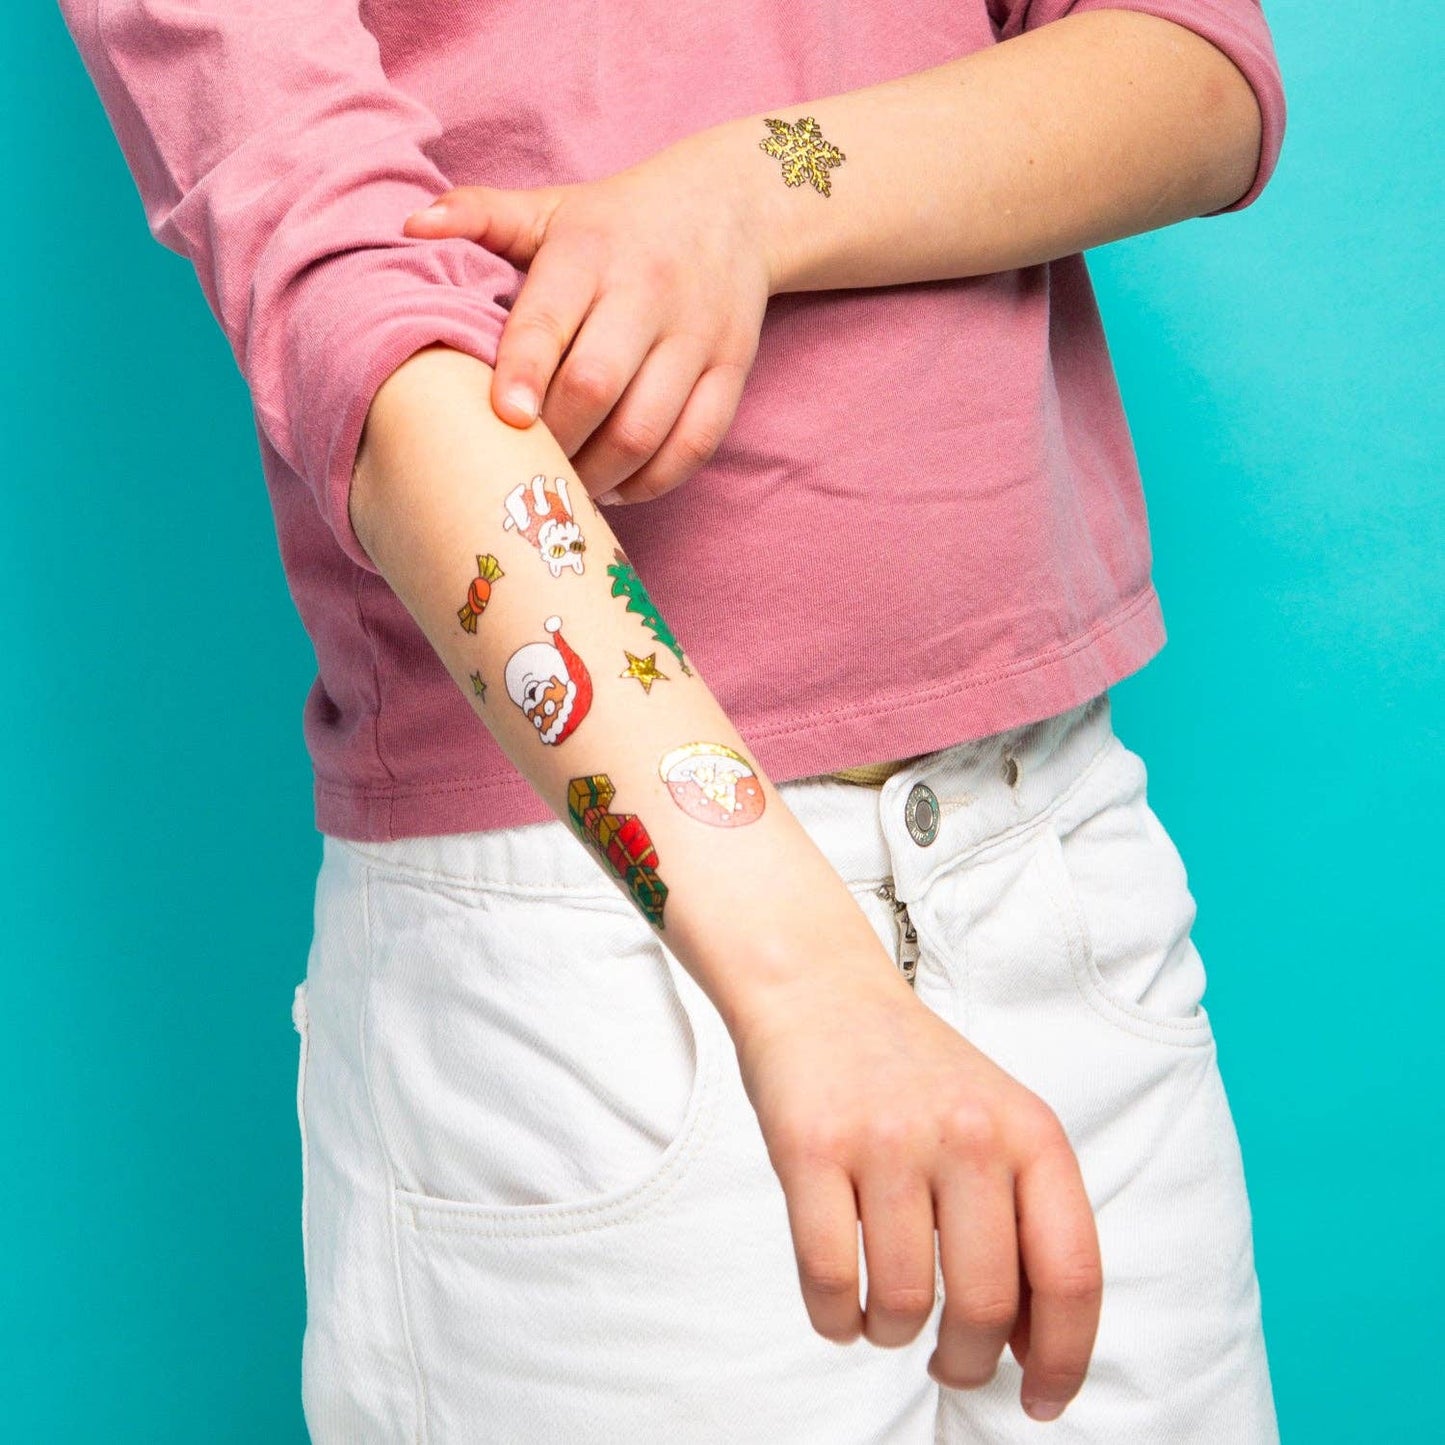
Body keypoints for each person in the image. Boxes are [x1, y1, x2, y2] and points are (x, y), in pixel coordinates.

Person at [58, 0, 1287, 1439]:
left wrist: (744, 193)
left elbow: (1196, 69)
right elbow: (364, 333)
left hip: (1057, 854)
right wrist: (806, 975)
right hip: (596, 949)